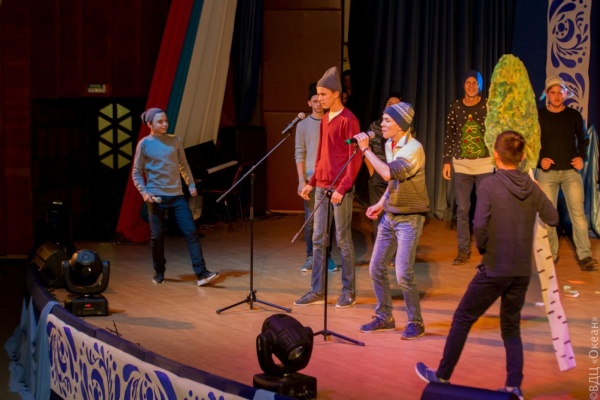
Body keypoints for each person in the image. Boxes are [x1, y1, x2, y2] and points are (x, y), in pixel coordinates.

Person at [416, 131, 559, 400]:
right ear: (522, 157)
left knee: (462, 318)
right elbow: (553, 218)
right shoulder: (530, 187)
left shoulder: (490, 185)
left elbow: (479, 224)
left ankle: (442, 376)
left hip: (494, 266)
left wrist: (484, 249)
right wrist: (536, 189)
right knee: (511, 327)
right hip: (520, 271)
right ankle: (514, 387)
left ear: (495, 154)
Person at [354, 102, 429, 340]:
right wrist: (381, 203)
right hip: (390, 215)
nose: (382, 124)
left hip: (409, 217)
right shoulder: (389, 144)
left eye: (387, 120)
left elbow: (388, 172)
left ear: (401, 124)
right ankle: (384, 317)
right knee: (376, 267)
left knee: (403, 273)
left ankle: (416, 322)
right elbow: (392, 182)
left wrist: (365, 150)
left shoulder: (414, 148)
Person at [294, 66, 362, 308]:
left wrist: (343, 188)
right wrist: (311, 183)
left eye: (323, 94)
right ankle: (317, 290)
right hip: (322, 187)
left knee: (343, 240)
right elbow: (321, 156)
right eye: (318, 95)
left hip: (340, 189)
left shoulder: (349, 120)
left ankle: (349, 291)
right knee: (318, 239)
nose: (320, 99)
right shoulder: (324, 119)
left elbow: (355, 158)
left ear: (336, 94)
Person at [132, 108, 219, 286]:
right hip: (156, 197)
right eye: (160, 122)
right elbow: (136, 172)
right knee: (157, 238)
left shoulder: (175, 140)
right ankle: (159, 270)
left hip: (177, 196)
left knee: (191, 232)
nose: (165, 124)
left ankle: (202, 273)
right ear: (150, 124)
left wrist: (191, 184)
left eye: (166, 120)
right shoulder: (144, 144)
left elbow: (183, 165)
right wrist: (144, 192)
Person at [536, 75, 598, 271]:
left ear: (565, 94)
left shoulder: (573, 115)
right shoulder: (539, 116)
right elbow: (531, 144)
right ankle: (550, 255)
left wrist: (582, 157)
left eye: (559, 92)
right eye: (552, 92)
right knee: (548, 216)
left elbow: (585, 139)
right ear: (547, 94)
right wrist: (539, 160)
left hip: (571, 172)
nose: (556, 96)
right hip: (547, 174)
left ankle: (585, 256)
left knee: (578, 215)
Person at [442, 70, 493, 265]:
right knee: (463, 209)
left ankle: (487, 249)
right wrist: (446, 162)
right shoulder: (455, 106)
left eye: (475, 82)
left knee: (485, 208)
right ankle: (463, 250)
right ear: (463, 85)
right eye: (468, 82)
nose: (471, 86)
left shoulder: (488, 105)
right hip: (462, 165)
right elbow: (450, 135)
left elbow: (495, 131)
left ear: (480, 85)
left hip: (484, 164)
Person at [295, 82, 338, 273]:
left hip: (330, 178)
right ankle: (311, 256)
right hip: (311, 178)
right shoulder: (303, 125)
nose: (318, 103)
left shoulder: (332, 121)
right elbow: (300, 153)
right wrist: (301, 180)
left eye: (321, 99)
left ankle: (326, 257)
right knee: (311, 219)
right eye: (314, 100)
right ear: (309, 103)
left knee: (329, 220)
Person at [364, 91, 403, 232]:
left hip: (395, 176)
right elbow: (366, 149)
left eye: (396, 105)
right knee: (378, 217)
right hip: (378, 175)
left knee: (395, 218)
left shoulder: (404, 130)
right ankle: (379, 244)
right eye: (389, 104)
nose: (392, 108)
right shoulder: (375, 126)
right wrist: (372, 172)